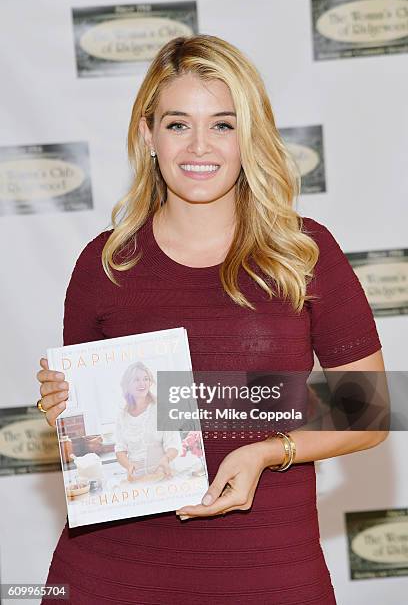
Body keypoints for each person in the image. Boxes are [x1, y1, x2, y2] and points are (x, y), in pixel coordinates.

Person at [36, 34, 388, 604]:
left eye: (222, 124)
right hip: (112, 572)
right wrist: (64, 406)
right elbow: (91, 425)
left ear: (248, 136)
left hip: (266, 568)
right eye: (178, 124)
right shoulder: (105, 263)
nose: (200, 145)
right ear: (148, 135)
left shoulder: (303, 252)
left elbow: (368, 414)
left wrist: (266, 452)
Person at [114, 361, 182, 480]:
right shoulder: (122, 416)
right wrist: (128, 465)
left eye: (146, 379)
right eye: (136, 380)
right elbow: (120, 449)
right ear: (127, 385)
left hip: (162, 474)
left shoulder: (161, 408)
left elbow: (173, 444)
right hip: (136, 479)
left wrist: (165, 460)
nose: (142, 383)